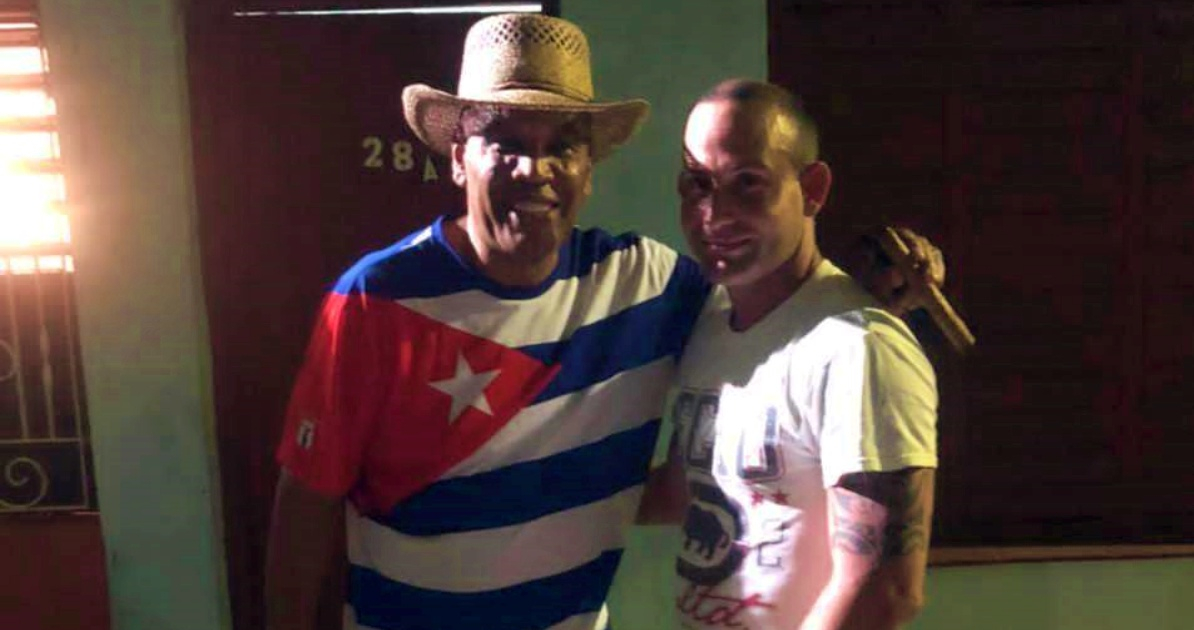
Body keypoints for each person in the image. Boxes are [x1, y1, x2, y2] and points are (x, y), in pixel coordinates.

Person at [264, 14, 942, 630]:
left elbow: (783, 312)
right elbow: (305, 505)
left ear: (590, 170)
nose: (535, 169)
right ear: (458, 157)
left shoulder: (650, 285)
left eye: (563, 146)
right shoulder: (375, 298)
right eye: (505, 142)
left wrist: (873, 280)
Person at [642, 79, 938, 630]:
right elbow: (689, 488)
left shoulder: (859, 345)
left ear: (813, 189)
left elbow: (886, 590)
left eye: (748, 183)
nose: (715, 212)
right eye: (698, 183)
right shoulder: (711, 322)